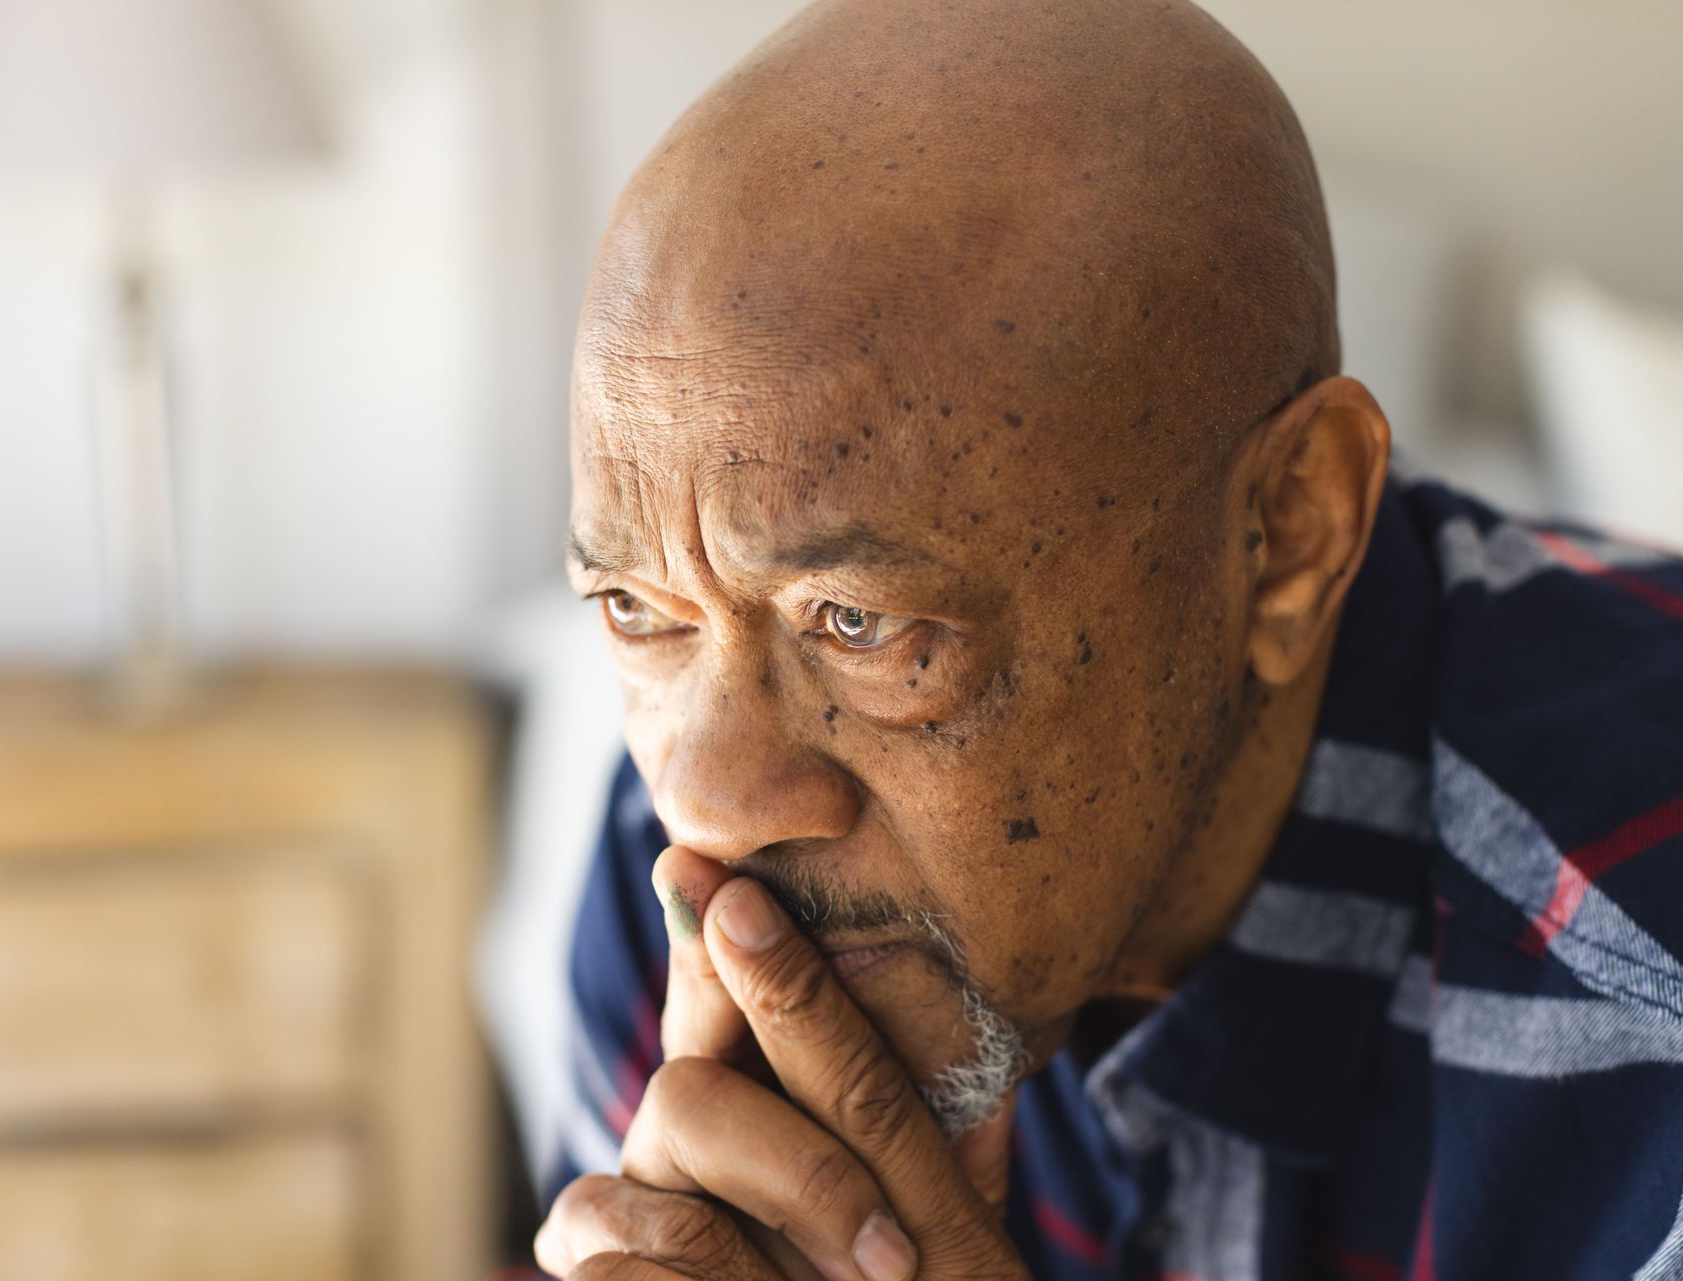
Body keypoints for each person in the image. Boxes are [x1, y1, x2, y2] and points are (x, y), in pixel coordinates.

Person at [532, 0, 1683, 1277]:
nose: (706, 801)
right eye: (640, 610)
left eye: (858, 623)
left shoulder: (1646, 1010)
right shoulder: (685, 875)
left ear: (1290, 532)